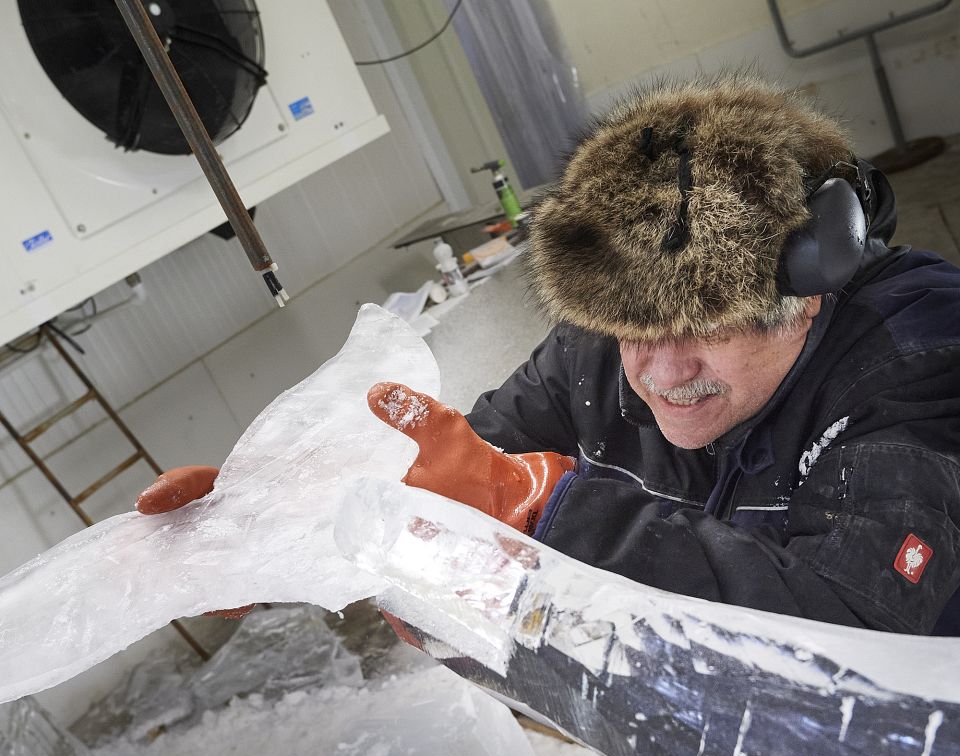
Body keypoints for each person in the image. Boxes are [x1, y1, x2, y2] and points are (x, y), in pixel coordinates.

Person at [139, 74, 960, 636]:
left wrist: (551, 512)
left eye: (705, 326)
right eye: (633, 331)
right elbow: (457, 468)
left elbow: (857, 622)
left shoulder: (916, 360)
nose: (661, 376)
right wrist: (276, 525)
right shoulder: (592, 355)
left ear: (811, 282)